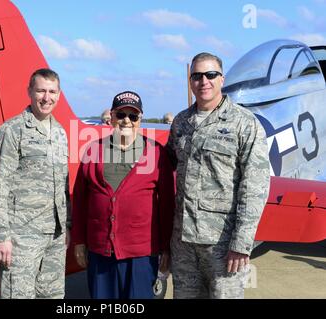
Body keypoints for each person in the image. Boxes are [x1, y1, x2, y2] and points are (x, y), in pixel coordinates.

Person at [166, 52, 270, 299]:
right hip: (184, 246)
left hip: (222, 246)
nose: (204, 81)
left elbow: (255, 186)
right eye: (197, 76)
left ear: (222, 79)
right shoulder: (181, 122)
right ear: (190, 82)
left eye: (211, 74)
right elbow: (165, 168)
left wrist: (241, 244)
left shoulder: (245, 124)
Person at [72, 90, 175, 299]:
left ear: (140, 120)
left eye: (133, 116)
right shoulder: (93, 151)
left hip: (141, 254)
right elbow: (81, 201)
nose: (126, 120)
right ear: (111, 117)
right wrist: (79, 242)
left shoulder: (156, 153)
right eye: (121, 115)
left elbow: (166, 205)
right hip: (101, 251)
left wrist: (166, 248)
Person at [0, 68, 70, 299]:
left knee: (52, 295)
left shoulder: (60, 133)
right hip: (21, 235)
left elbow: (63, 186)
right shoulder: (12, 131)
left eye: (52, 91)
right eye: (41, 90)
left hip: (54, 234)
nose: (46, 97)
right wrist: (2, 236)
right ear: (29, 92)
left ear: (59, 94)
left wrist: (67, 226)